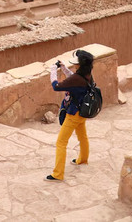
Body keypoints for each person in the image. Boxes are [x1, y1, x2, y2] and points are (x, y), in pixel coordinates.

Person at [45, 49, 94, 181]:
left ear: (79, 65)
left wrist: (53, 71)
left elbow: (56, 86)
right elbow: (73, 78)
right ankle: (83, 160)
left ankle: (58, 174)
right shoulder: (87, 74)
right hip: (82, 112)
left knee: (61, 142)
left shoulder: (77, 78)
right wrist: (64, 68)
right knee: (82, 137)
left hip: (73, 114)